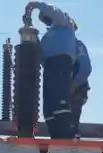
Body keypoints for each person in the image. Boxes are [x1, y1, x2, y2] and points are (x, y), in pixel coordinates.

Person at [24, 2, 79, 139]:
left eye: (44, 15)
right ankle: (56, 135)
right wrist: (31, 34)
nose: (43, 18)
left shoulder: (64, 23)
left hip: (61, 64)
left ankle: (65, 135)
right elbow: (40, 55)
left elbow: (53, 10)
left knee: (59, 103)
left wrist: (35, 5)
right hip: (49, 67)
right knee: (48, 106)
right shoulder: (48, 36)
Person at [70, 38, 92, 138]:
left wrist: (74, 84)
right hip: (63, 88)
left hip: (76, 90)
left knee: (72, 115)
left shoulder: (77, 46)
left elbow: (85, 67)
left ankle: (73, 132)